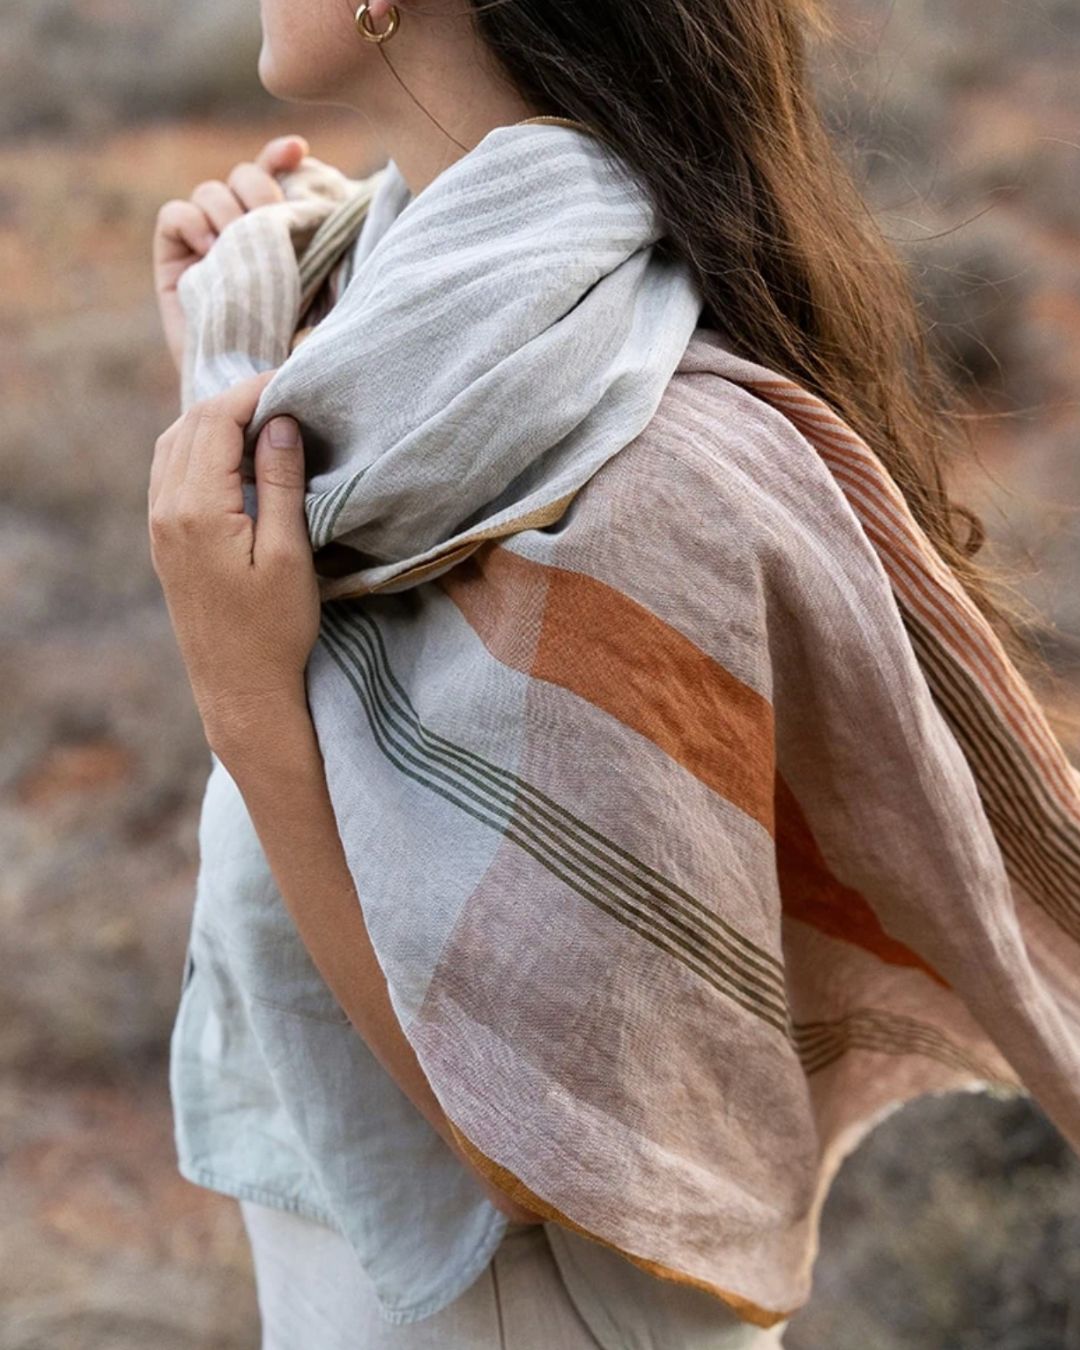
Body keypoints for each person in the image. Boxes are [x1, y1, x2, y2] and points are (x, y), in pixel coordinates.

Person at [148, 1, 1080, 1347]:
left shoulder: (651, 489)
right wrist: (231, 377)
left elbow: (528, 1149)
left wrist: (245, 700)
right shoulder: (378, 356)